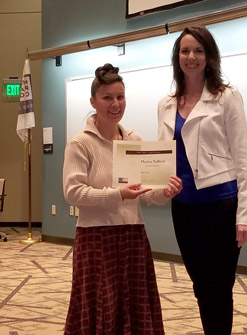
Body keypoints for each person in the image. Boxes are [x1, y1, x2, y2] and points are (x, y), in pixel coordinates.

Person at [63, 63, 182, 335]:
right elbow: (72, 193)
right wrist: (118, 194)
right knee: (100, 306)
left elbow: (147, 192)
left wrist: (165, 191)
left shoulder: (133, 139)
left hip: (133, 234)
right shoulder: (80, 143)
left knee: (133, 304)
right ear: (93, 102)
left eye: (120, 97)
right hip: (95, 239)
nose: (115, 104)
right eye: (107, 98)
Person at [157, 26, 247, 335]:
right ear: (177, 58)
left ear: (210, 57)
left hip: (222, 206)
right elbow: (162, 158)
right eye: (185, 51)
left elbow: (243, 158)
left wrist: (246, 216)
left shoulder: (226, 97)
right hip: (184, 208)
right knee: (200, 285)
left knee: (219, 287)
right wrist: (159, 185)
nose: (191, 56)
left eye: (198, 50)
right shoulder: (166, 104)